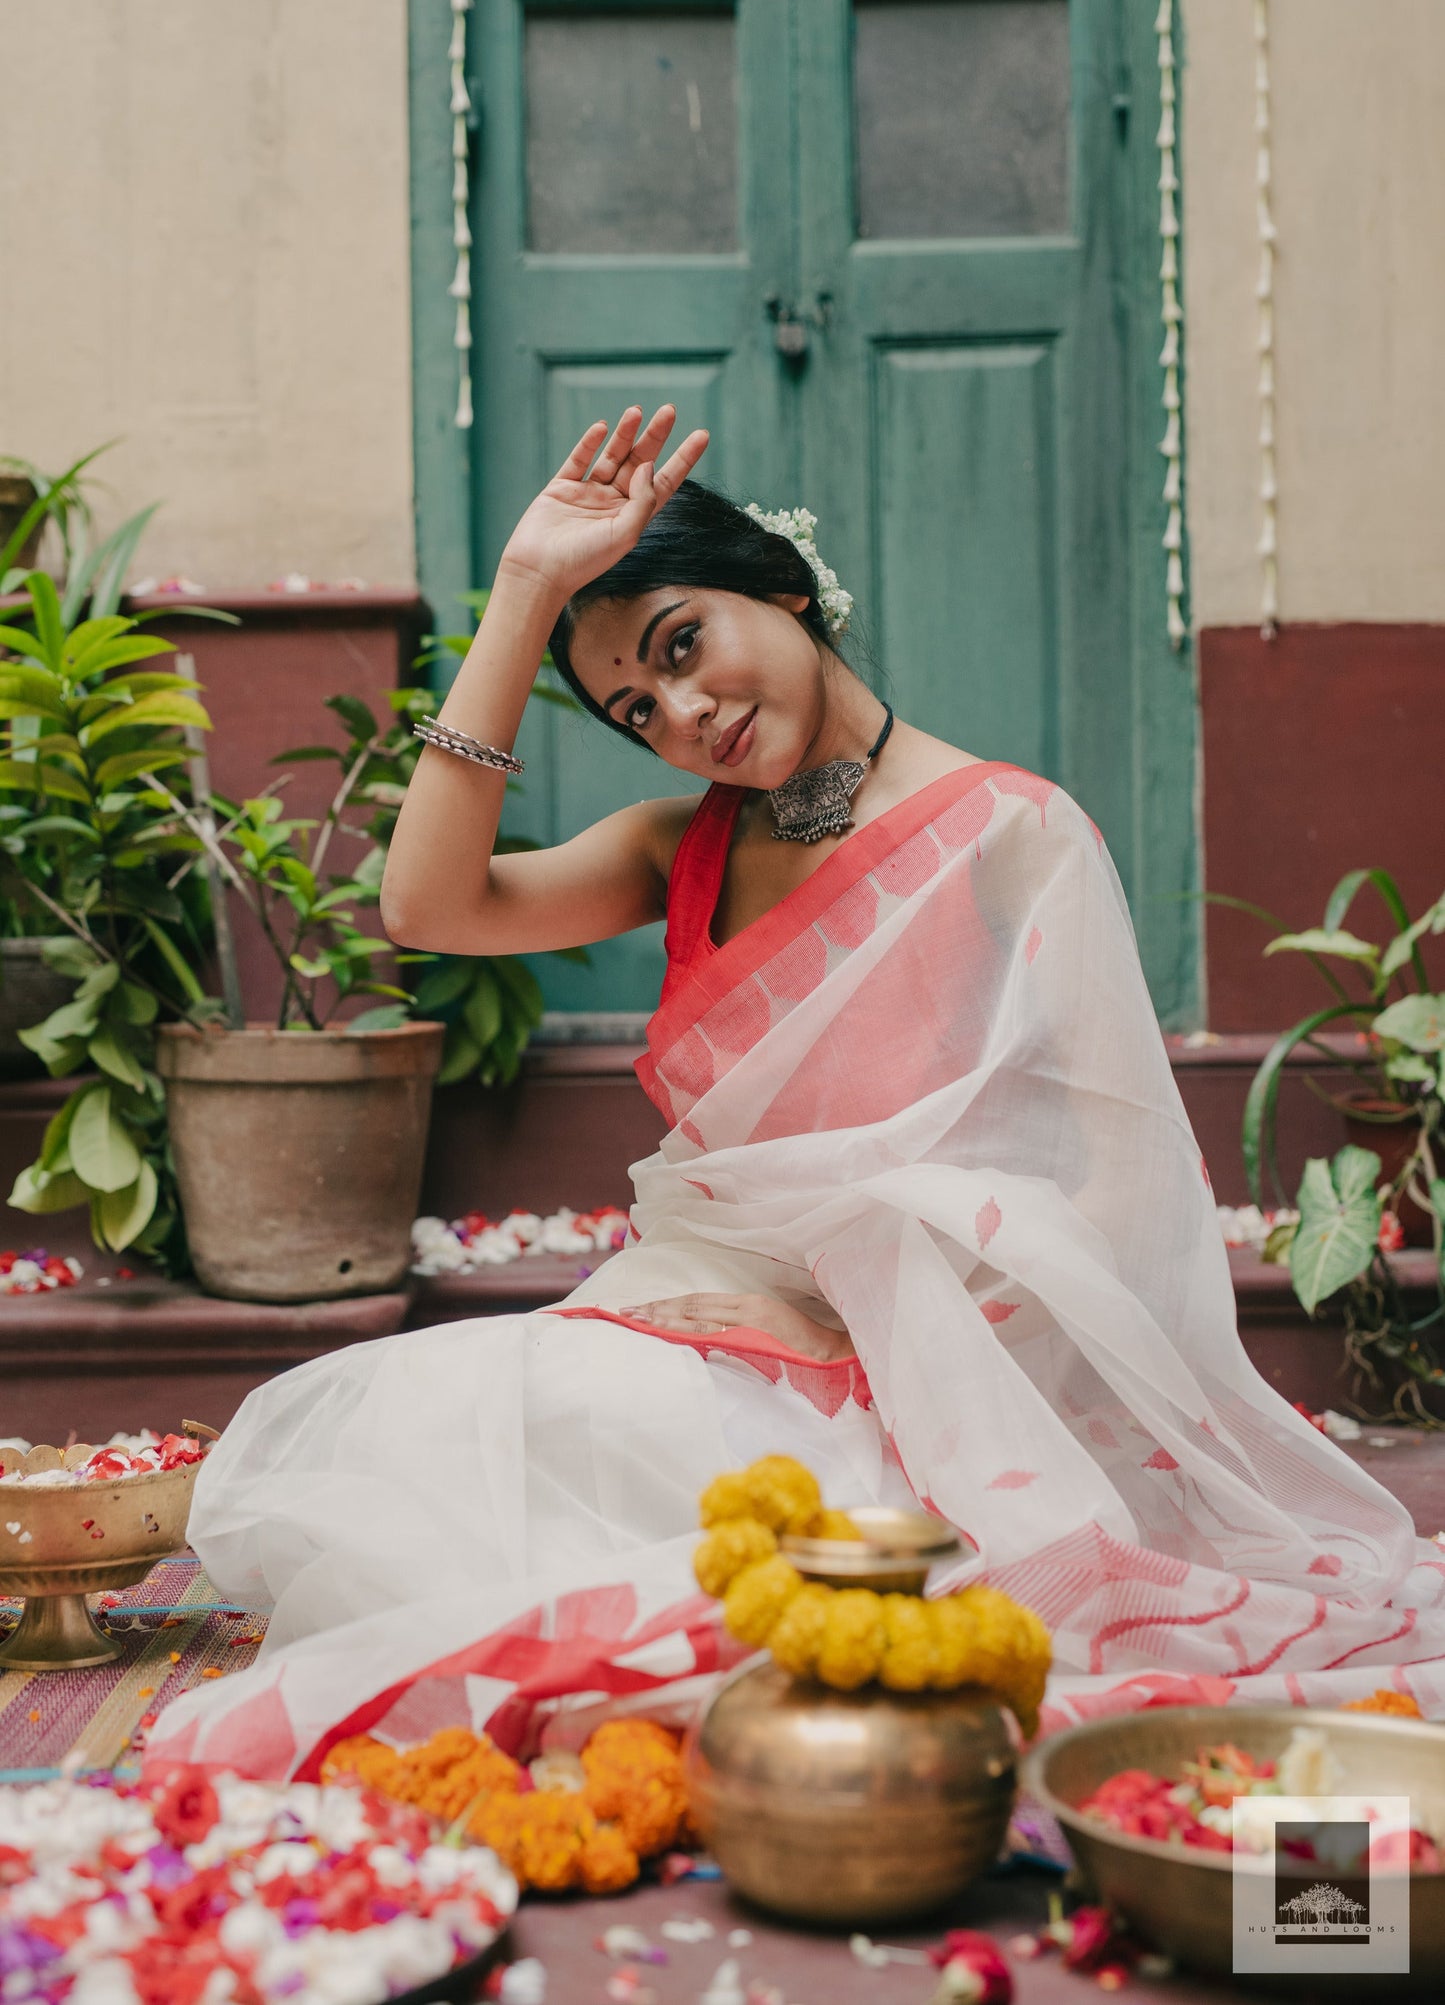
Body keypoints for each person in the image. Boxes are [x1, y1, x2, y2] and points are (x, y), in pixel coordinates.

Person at [151, 407, 1445, 1781]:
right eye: (637, 710)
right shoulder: (677, 849)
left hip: (929, 1378)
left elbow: (1110, 1204)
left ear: (781, 587)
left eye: (679, 645)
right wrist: (524, 589)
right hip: (687, 1322)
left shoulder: (1012, 834)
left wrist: (850, 1303)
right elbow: (424, 905)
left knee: (653, 1499)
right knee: (434, 1427)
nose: (683, 714)